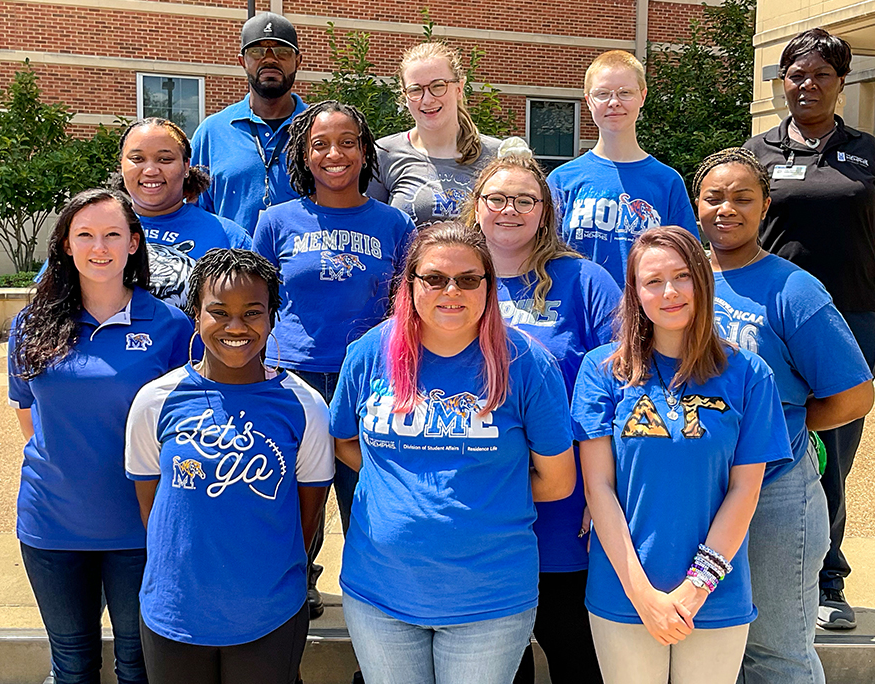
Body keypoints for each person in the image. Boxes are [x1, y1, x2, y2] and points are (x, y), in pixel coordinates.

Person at [328, 222, 576, 684]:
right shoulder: (369, 353)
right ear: (410, 284)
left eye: (467, 279)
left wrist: (485, 492)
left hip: (489, 600)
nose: (451, 291)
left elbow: (558, 480)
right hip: (379, 593)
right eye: (435, 278)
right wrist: (401, 481)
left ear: (489, 285)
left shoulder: (526, 363)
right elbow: (343, 441)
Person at [571, 226, 793, 684]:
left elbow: (745, 491)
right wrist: (642, 595)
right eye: (653, 281)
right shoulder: (602, 370)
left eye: (682, 276)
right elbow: (599, 488)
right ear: (636, 293)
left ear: (702, 280)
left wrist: (696, 588)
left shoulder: (749, 374)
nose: (669, 292)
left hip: (716, 595)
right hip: (624, 591)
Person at [743, 28, 875, 630]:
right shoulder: (756, 153)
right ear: (782, 82)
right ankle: (748, 567)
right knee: (764, 442)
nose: (807, 85)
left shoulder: (868, 152)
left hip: (849, 321)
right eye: (796, 74)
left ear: (841, 82)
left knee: (833, 454)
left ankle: (826, 580)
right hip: (768, 320)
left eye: (821, 75)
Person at [694, 148, 875, 683]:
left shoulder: (793, 289)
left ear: (766, 206)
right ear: (696, 205)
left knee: (775, 652)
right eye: (714, 197)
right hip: (695, 490)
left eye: (742, 197)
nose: (727, 208)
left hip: (775, 493)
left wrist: (780, 430)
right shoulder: (680, 279)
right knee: (712, 648)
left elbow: (853, 395)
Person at [8, 188, 193, 684]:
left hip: (139, 527)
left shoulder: (171, 326)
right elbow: (29, 416)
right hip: (52, 526)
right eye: (85, 235)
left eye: (112, 234)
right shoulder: (31, 324)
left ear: (133, 243)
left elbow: (185, 425)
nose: (99, 247)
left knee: (138, 667)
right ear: (66, 245)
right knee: (71, 668)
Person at [124, 249, 333, 684]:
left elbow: (307, 516)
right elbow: (152, 507)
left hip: (269, 613)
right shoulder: (155, 401)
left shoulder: (306, 406)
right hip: (175, 612)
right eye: (219, 312)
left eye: (252, 312)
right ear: (196, 315)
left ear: (272, 317)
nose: (236, 327)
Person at [252, 100, 416, 621]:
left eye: (347, 142)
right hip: (291, 376)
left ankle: (375, 594)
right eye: (320, 144)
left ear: (365, 152)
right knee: (288, 491)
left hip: (368, 379)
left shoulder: (394, 223)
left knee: (364, 490)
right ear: (304, 154)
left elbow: (407, 307)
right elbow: (257, 302)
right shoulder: (275, 221)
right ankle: (290, 589)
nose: (334, 153)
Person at [463, 140, 620, 684]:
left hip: (566, 499)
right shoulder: (454, 281)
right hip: (484, 502)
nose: (510, 210)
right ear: (476, 204)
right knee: (500, 664)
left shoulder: (585, 281)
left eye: (525, 200)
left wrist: (605, 489)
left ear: (545, 211)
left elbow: (625, 381)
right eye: (497, 198)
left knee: (575, 649)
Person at [548, 50, 699, 287]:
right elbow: (543, 255)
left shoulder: (667, 182)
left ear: (643, 96)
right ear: (588, 100)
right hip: (577, 306)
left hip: (646, 307)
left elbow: (688, 261)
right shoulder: (562, 180)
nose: (614, 102)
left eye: (625, 93)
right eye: (603, 94)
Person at [191, 12, 308, 235]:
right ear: (242, 61)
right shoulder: (212, 132)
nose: (270, 59)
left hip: (306, 257)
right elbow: (194, 212)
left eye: (282, 52)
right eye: (257, 52)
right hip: (230, 257)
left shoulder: (318, 130)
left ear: (298, 61)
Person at [114, 117, 251, 306]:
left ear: (186, 166)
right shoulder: (95, 230)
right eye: (137, 159)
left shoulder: (229, 237)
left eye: (165, 159)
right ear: (121, 165)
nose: (151, 170)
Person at [367, 41, 502, 227]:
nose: (427, 99)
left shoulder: (497, 155)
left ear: (459, 88)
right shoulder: (383, 154)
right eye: (415, 90)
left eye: (438, 86)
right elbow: (371, 229)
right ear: (405, 96)